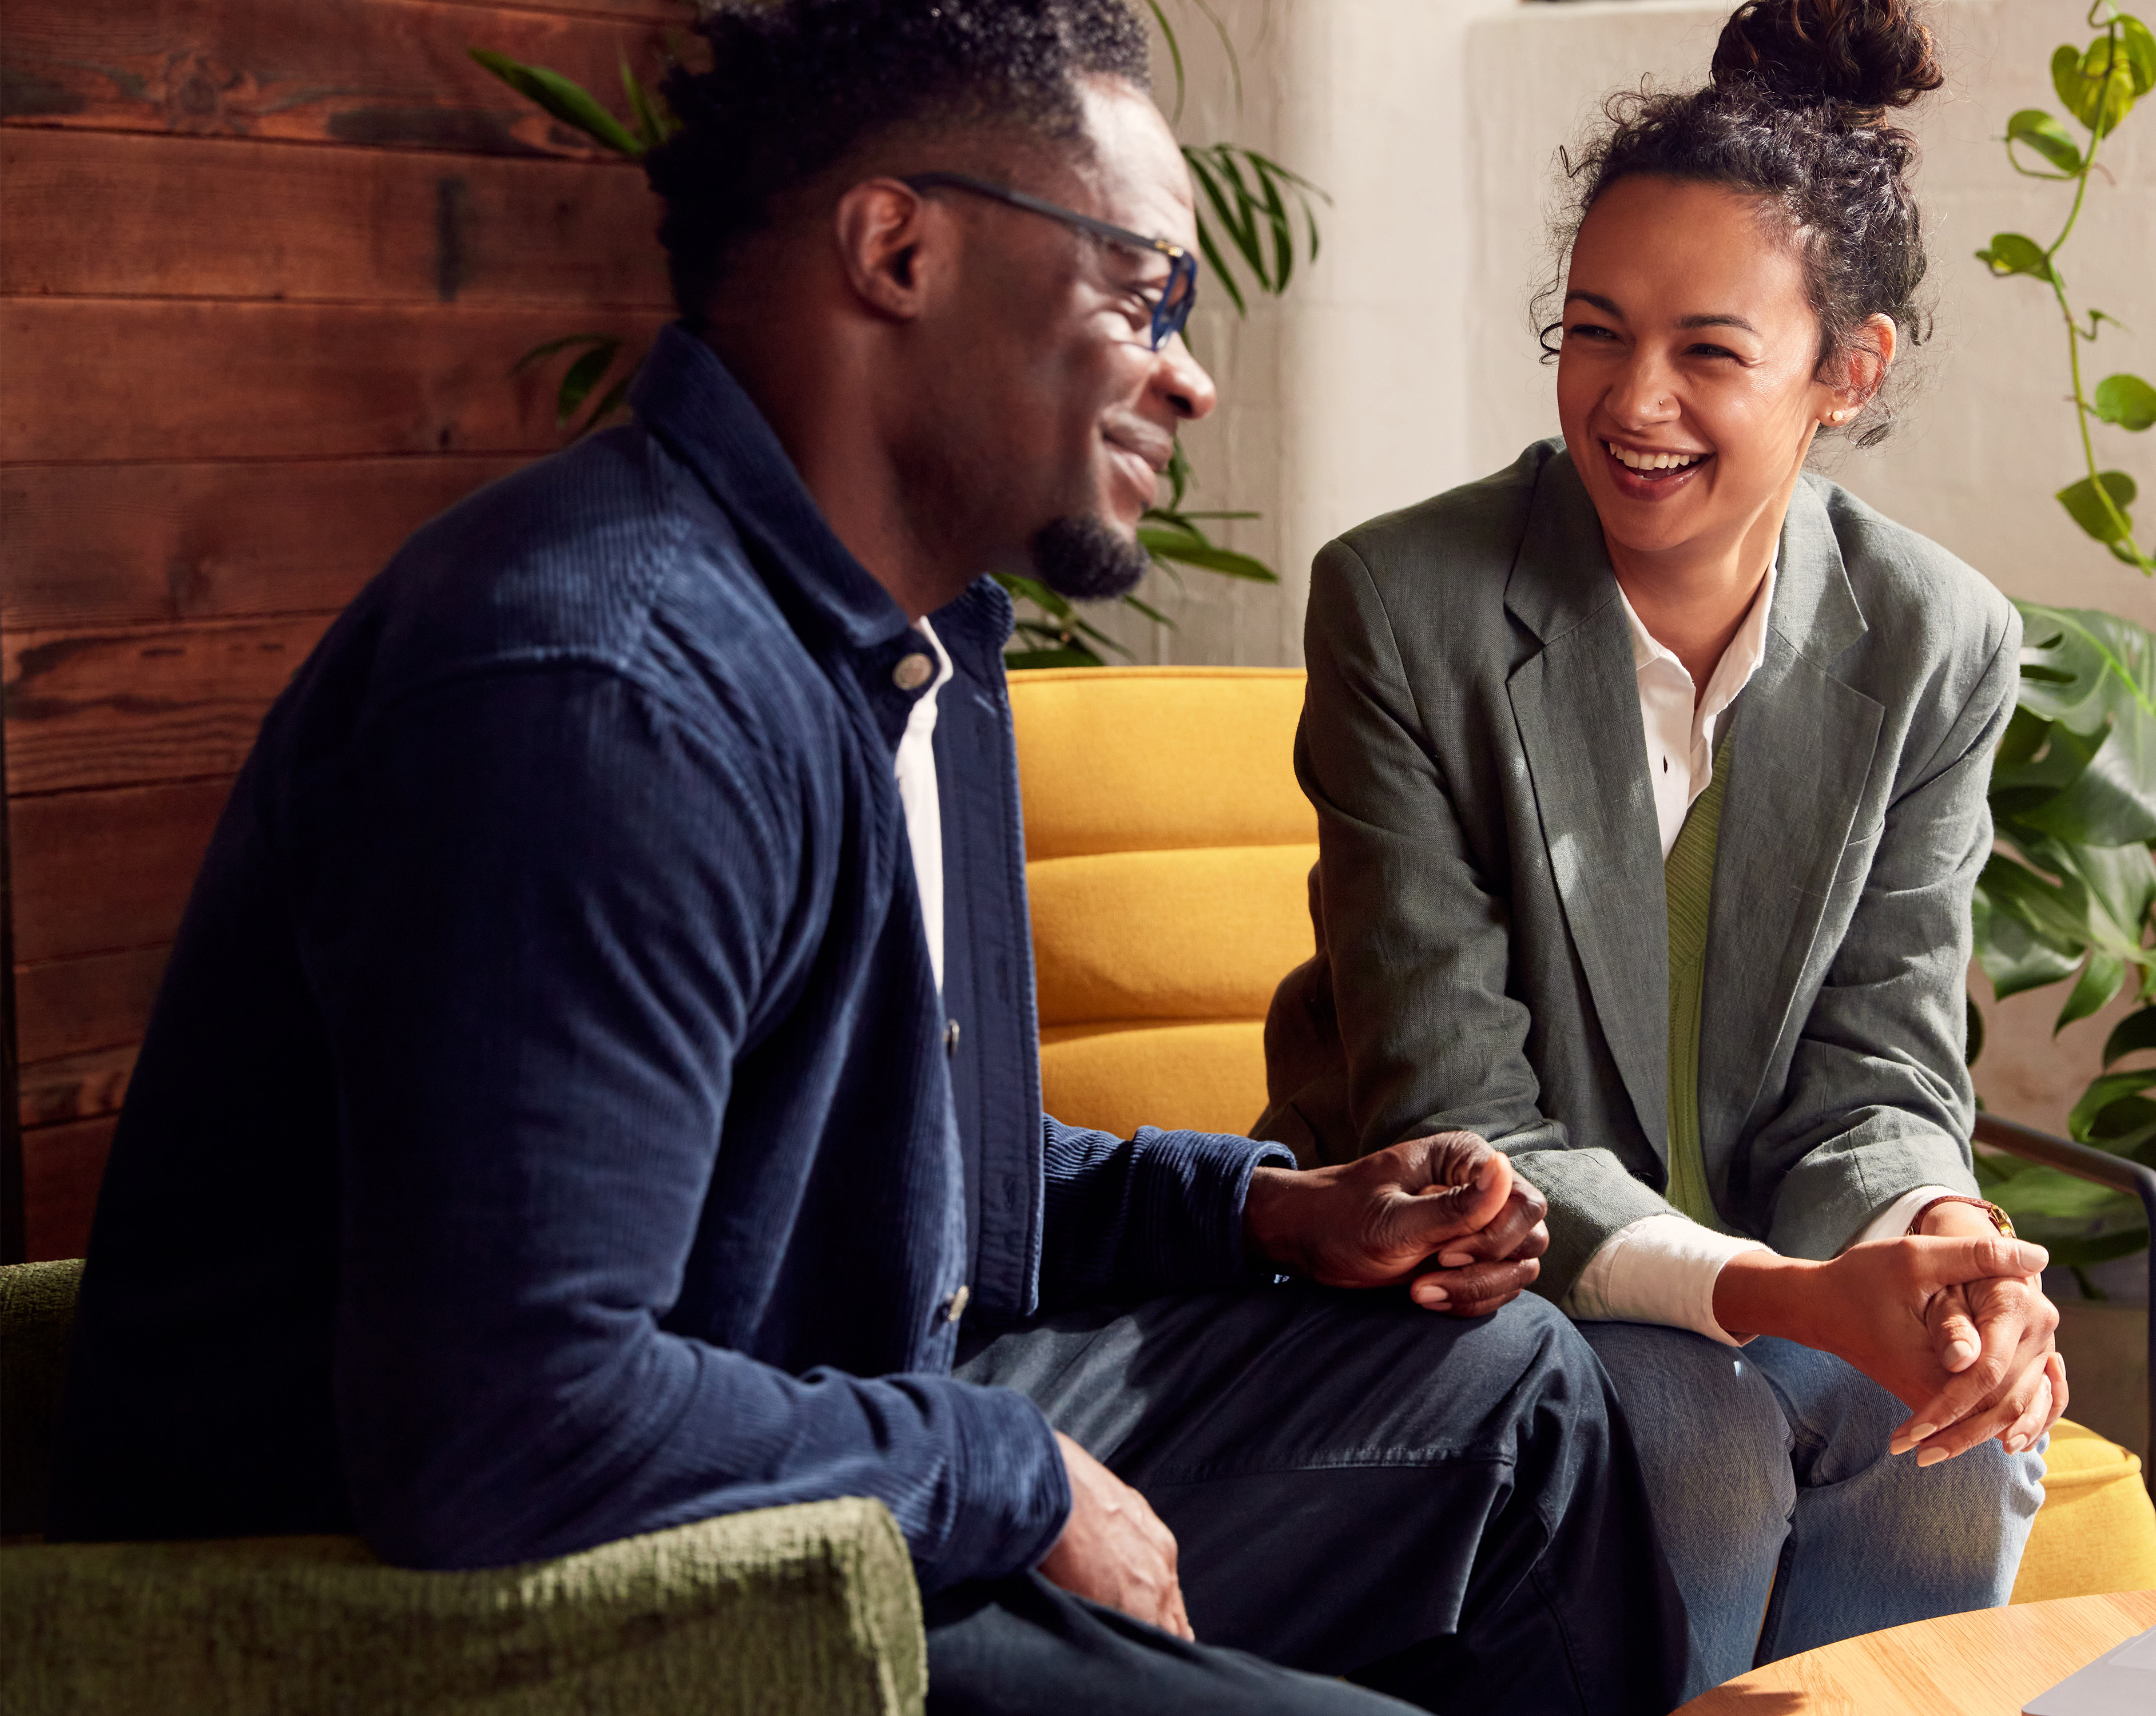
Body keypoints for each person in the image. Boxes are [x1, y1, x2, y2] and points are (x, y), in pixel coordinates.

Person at [41, 3, 1769, 1711]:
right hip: (560, 1604)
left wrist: (1261, 1210)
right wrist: (1007, 1474)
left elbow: (866, 1164)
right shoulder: (609, 694)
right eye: (1143, 290)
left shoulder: (911, 656)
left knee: (1520, 1395)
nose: (1191, 369)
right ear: (898, 248)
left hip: (819, 1410)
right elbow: (509, 1422)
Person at [1258, 0, 2066, 1696]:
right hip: (1467, 1281)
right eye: (1593, 333)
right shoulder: (1407, 606)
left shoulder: (1938, 641)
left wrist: (1939, 1253)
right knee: (1690, 1432)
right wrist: (1784, 1295)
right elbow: (1450, 1115)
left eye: (1710, 351)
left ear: (1848, 373)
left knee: (1958, 1417)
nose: (1633, 403)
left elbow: (1880, 1067)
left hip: (1778, 1250)